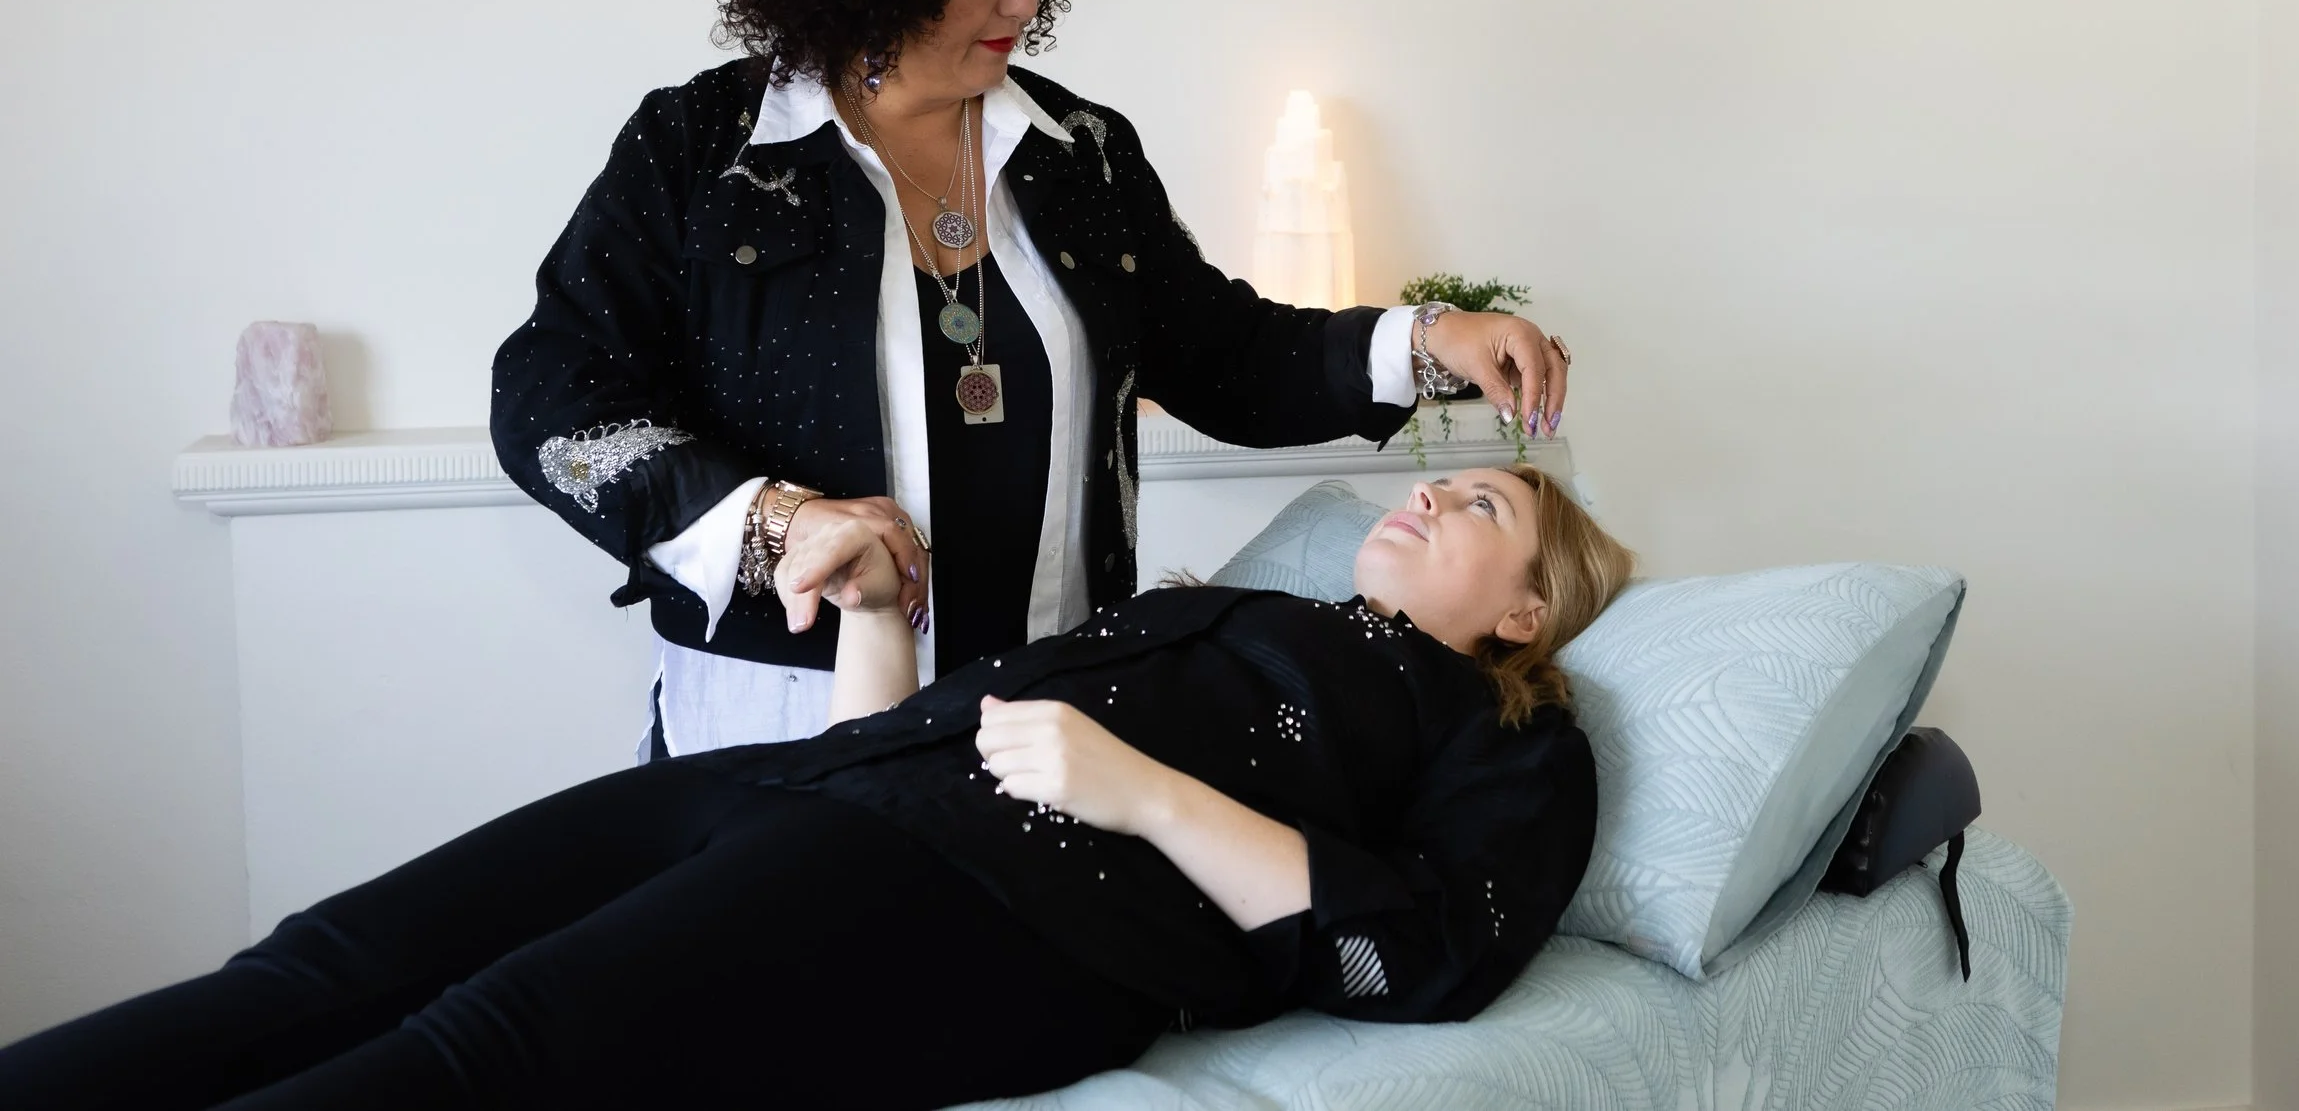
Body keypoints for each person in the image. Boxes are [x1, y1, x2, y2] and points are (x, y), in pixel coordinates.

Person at [488, 0, 1579, 757]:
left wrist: (1429, 339)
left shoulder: (1082, 154)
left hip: (1050, 717)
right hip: (775, 719)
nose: (1022, 4)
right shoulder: (699, 148)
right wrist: (775, 522)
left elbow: (1227, 353)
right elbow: (551, 400)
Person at [0, 466, 1636, 1110]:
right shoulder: (1254, 608)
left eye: (1478, 497)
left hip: (1010, 910)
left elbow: (1425, 950)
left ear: (1530, 606)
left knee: (483, 1050)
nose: (1429, 489)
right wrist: (877, 630)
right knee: (316, 963)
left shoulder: (1509, 736)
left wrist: (1138, 795)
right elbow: (954, 733)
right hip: (827, 781)